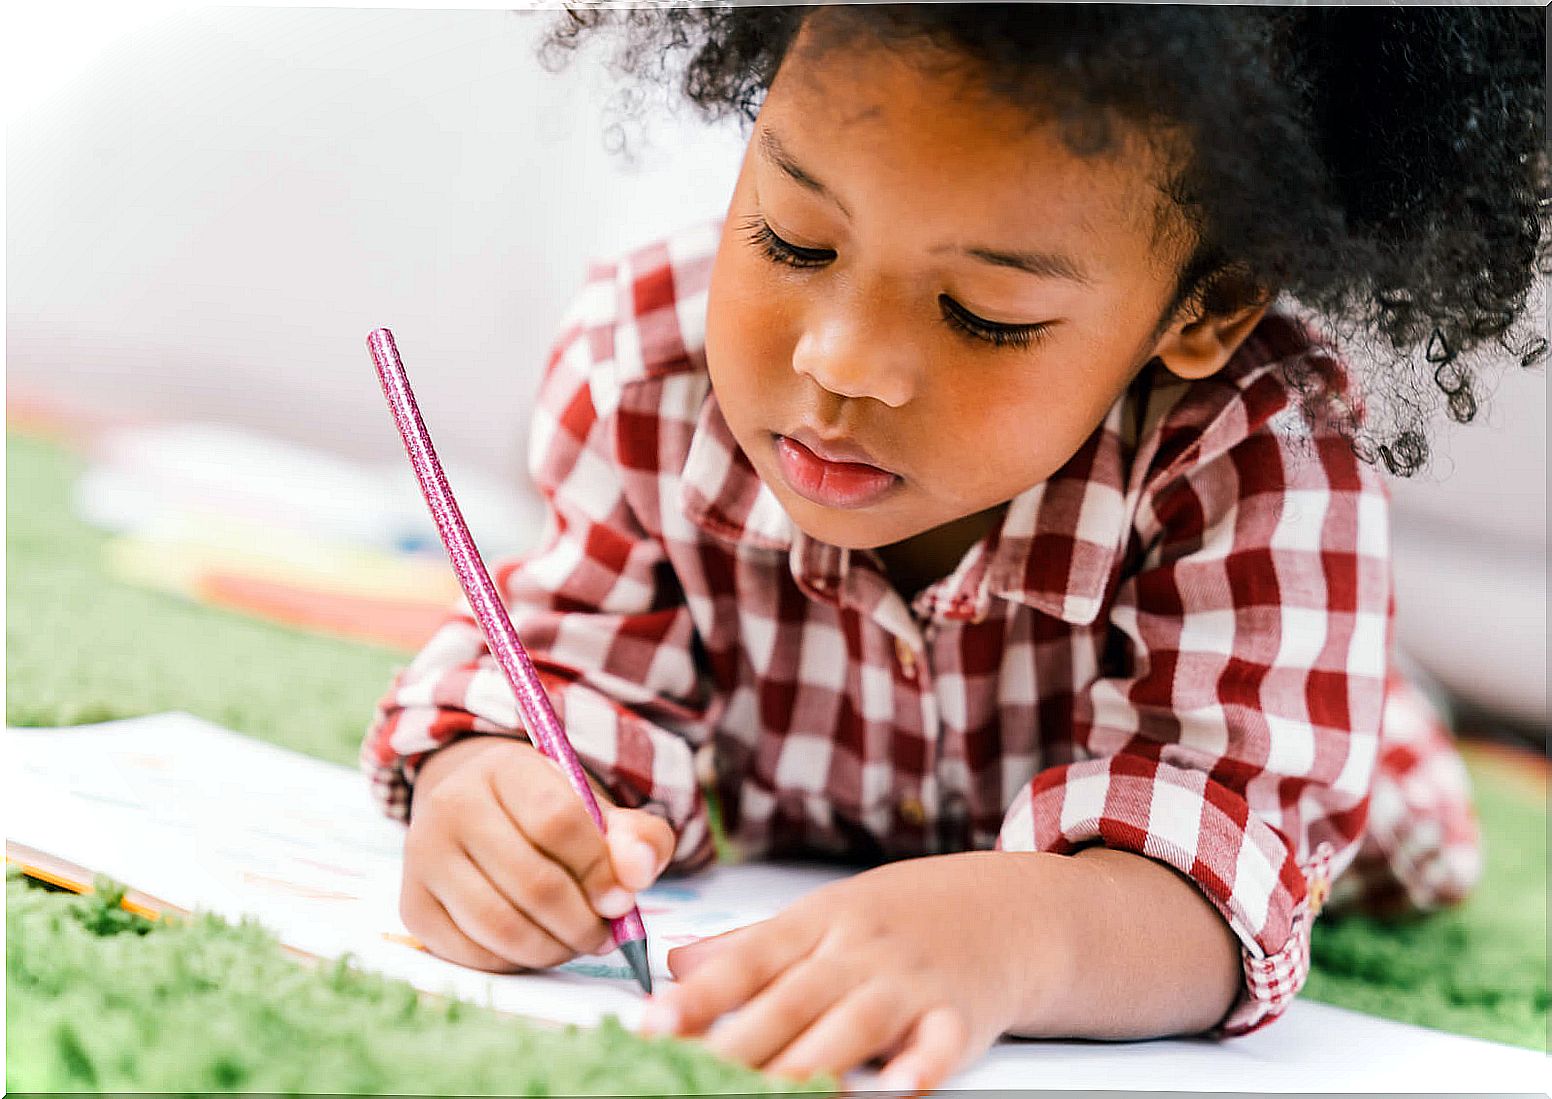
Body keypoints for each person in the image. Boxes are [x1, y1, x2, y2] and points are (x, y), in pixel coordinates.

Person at [361, 5, 1546, 1091]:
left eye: (985, 315)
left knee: (1394, 821)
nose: (839, 360)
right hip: (837, 791)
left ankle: (1397, 696)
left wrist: (1012, 932)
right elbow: (570, 668)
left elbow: (1231, 865)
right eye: (792, 238)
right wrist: (496, 792)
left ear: (1203, 313)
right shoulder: (648, 363)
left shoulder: (1259, 451)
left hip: (1294, 729)